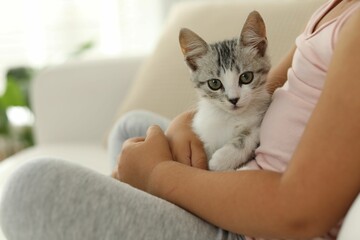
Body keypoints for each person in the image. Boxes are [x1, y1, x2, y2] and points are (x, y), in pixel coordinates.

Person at [1, 0, 360, 239]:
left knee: (31, 186)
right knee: (133, 126)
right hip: (241, 167)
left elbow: (300, 212)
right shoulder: (335, 7)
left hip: (253, 223)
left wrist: (158, 175)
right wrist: (184, 124)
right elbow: (273, 83)